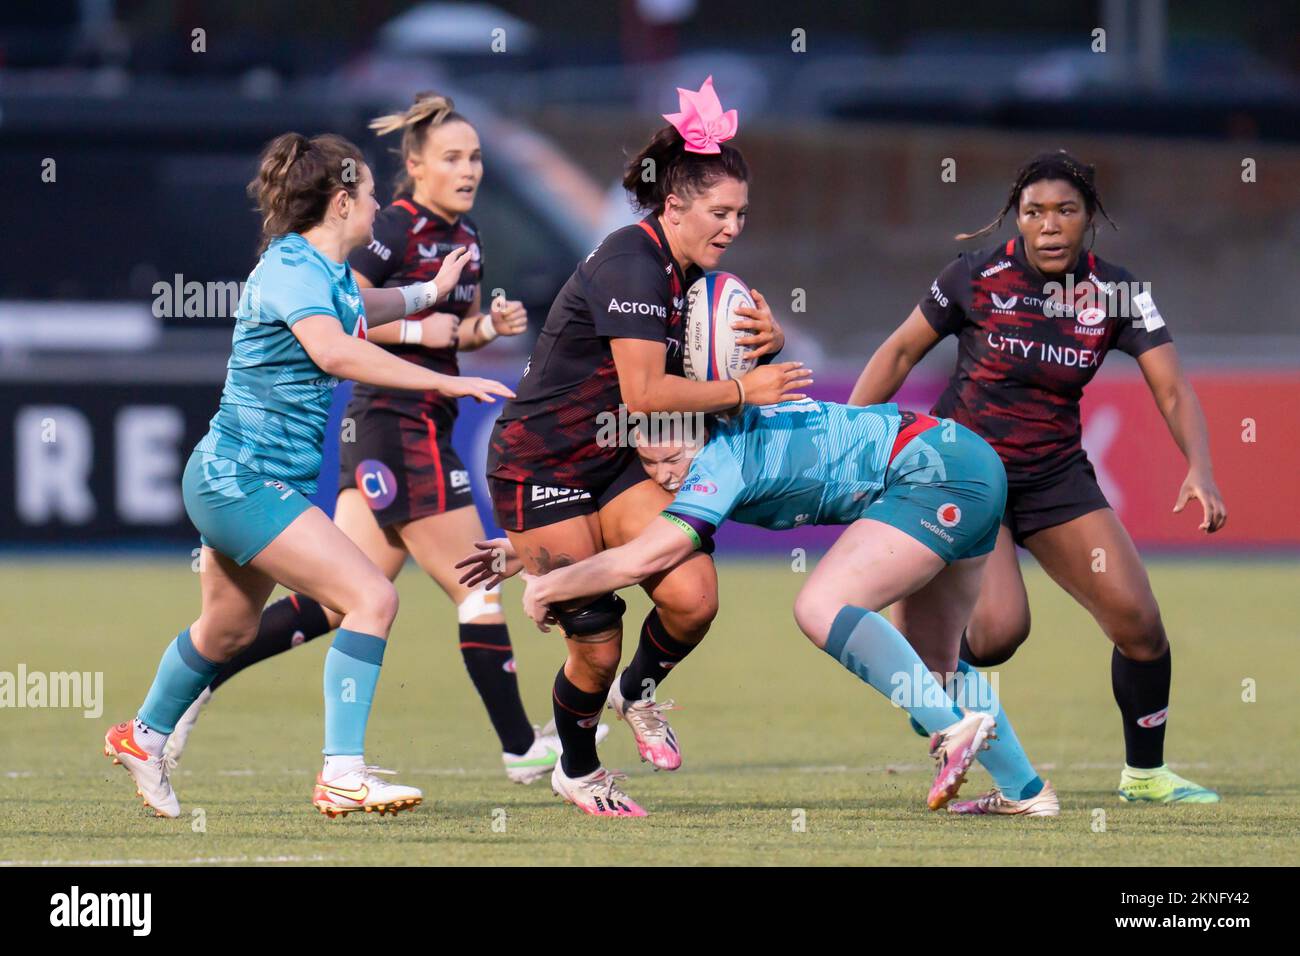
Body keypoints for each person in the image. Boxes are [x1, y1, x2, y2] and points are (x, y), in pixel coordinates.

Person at [161, 93, 596, 785]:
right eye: (452, 156)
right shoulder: (387, 226)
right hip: (399, 422)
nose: (470, 168)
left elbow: (452, 326)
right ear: (414, 166)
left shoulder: (467, 238)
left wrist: (485, 330)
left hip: (417, 423)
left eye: (477, 156)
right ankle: (519, 747)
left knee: (338, 602)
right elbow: (344, 317)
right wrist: (424, 332)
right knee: (478, 583)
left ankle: (195, 688)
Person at [103, 132, 513, 819]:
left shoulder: (317, 270)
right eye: (374, 197)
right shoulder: (295, 269)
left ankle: (141, 736)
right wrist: (439, 386)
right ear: (343, 200)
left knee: (227, 633)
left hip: (243, 480)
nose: (382, 207)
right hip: (243, 482)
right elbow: (338, 350)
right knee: (372, 599)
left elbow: (363, 310)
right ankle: (342, 773)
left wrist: (428, 293)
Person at [464, 400, 1059, 817]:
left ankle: (952, 730)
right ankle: (1025, 790)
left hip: (933, 474)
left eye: (671, 458)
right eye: (650, 466)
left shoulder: (720, 462)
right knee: (935, 668)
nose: (665, 475)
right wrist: (528, 552)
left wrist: (550, 586)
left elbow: (642, 559)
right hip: (967, 458)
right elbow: (632, 534)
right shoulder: (722, 433)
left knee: (821, 605)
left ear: (696, 428)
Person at [849, 149, 1225, 806]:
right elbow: (901, 350)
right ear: (1016, 219)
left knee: (1140, 624)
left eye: (1065, 211)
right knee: (997, 634)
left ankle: (1145, 776)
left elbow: (1171, 389)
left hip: (1054, 477)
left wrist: (1201, 468)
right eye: (1034, 212)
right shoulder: (975, 277)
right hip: (965, 472)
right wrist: (848, 437)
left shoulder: (1119, 295)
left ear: (1089, 220)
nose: (1049, 226)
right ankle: (930, 665)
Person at [483, 77, 811, 816]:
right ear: (674, 204)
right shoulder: (633, 263)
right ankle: (578, 767)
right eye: (718, 212)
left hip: (611, 463)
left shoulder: (691, 273)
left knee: (693, 598)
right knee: (594, 647)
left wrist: (771, 340)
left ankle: (638, 693)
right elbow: (645, 395)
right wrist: (743, 392)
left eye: (741, 214)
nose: (732, 227)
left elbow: (713, 347)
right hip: (540, 467)